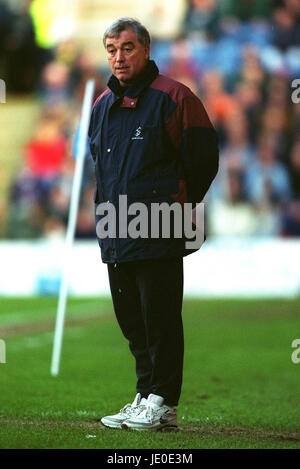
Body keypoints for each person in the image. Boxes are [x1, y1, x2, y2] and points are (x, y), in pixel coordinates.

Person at [88, 17, 219, 431]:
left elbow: (203, 161)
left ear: (145, 50)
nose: (118, 57)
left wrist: (175, 207)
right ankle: (145, 394)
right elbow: (100, 164)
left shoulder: (175, 97)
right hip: (115, 227)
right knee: (131, 320)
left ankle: (163, 402)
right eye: (111, 49)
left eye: (127, 48)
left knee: (160, 317)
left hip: (159, 227)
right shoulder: (102, 106)